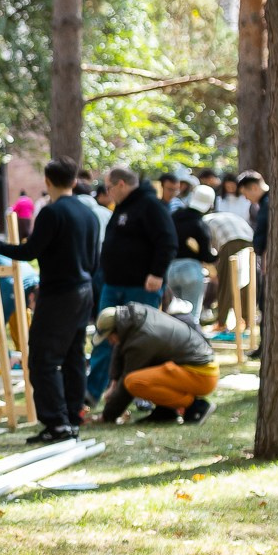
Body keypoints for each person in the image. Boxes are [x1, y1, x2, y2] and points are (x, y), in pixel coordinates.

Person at [0, 158, 100, 443]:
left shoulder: (52, 213)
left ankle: (57, 423)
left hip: (59, 293)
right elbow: (95, 259)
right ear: (74, 181)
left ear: (47, 181)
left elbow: (30, 251)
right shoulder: (90, 214)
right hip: (84, 289)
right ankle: (72, 416)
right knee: (72, 356)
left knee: (42, 359)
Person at [85, 165, 174, 404]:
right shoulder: (122, 207)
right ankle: (93, 390)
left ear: (121, 184)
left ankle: (143, 393)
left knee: (142, 339)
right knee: (104, 336)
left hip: (140, 287)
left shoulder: (150, 206)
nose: (107, 192)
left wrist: (157, 273)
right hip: (113, 284)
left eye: (108, 187)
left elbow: (167, 240)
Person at [96, 303, 218, 426]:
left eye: (109, 337)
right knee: (143, 375)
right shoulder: (136, 319)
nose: (110, 342)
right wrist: (114, 382)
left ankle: (196, 406)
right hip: (199, 366)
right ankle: (165, 411)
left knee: (133, 382)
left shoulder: (140, 339)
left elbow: (126, 384)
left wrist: (107, 416)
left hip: (202, 374)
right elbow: (120, 346)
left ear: (117, 330)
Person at [167, 183, 219, 321]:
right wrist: (215, 255)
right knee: (191, 315)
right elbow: (206, 256)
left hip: (170, 269)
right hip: (191, 270)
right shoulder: (200, 224)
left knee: (173, 314)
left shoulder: (173, 217)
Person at [242, 172, 269, 357]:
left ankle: (264, 347)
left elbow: (262, 230)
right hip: (267, 257)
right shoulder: (266, 202)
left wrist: (259, 250)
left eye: (246, 193)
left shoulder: (267, 204)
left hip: (268, 259)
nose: (246, 198)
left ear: (254, 187)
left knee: (265, 304)